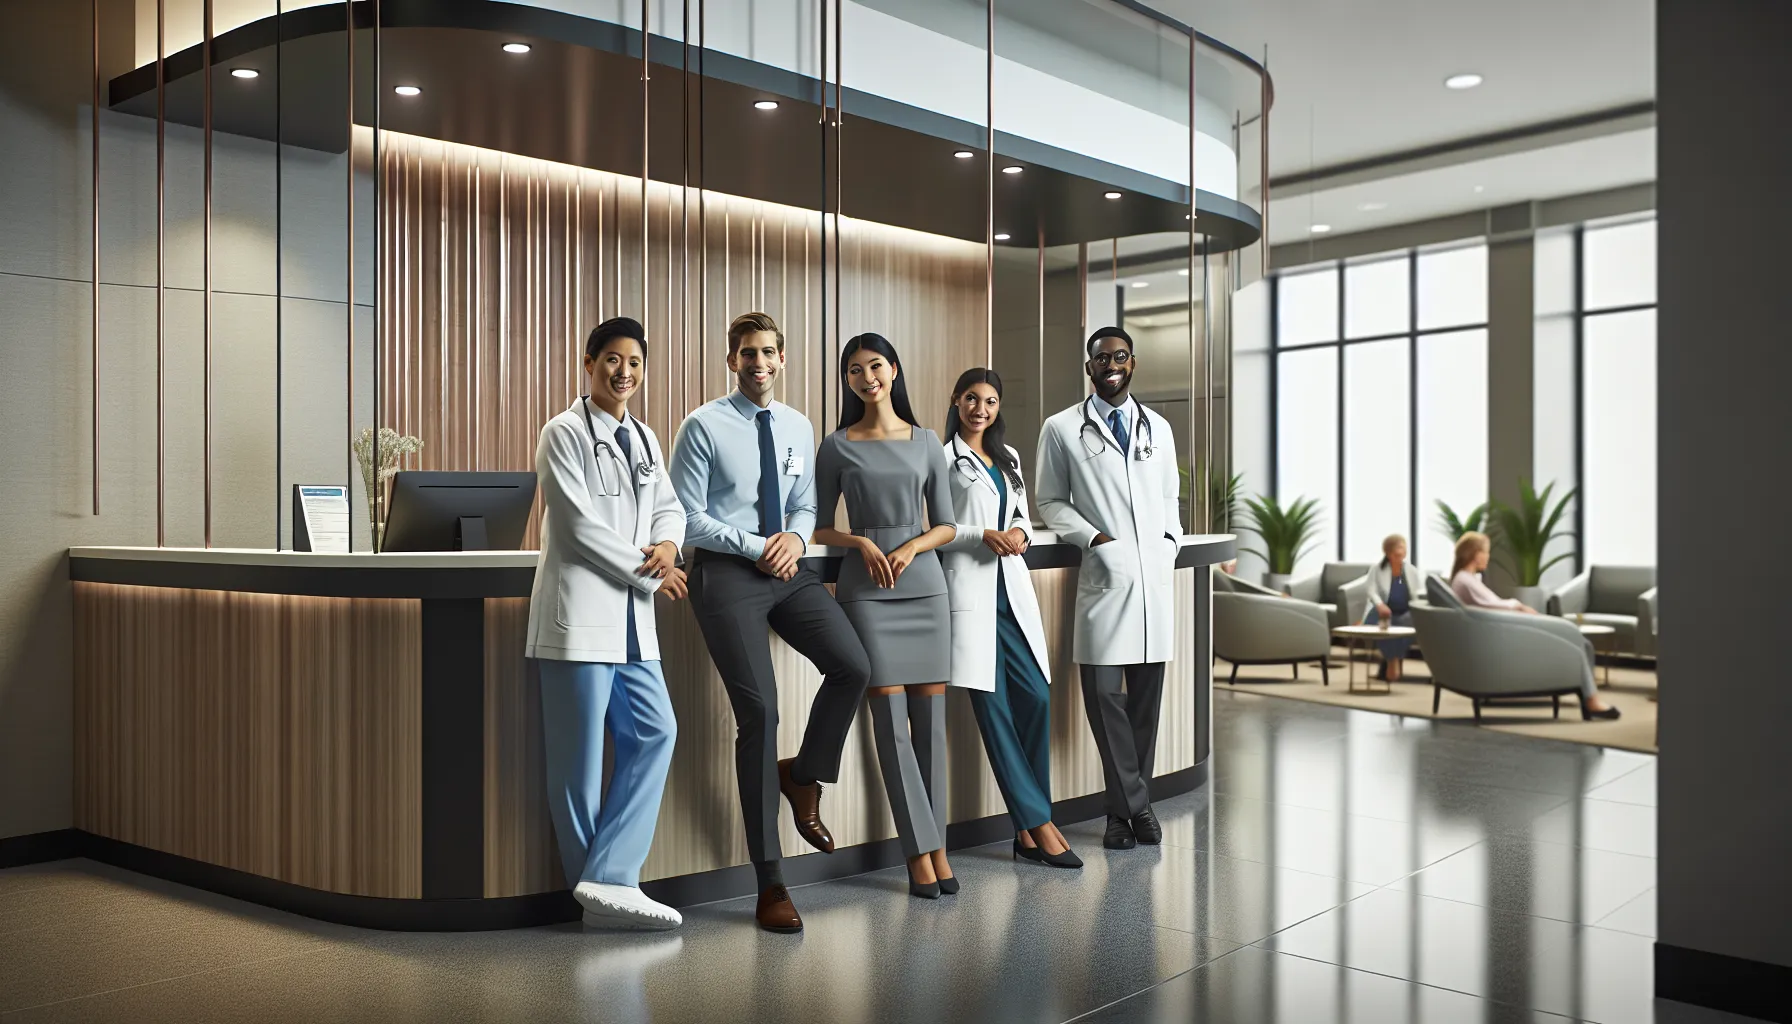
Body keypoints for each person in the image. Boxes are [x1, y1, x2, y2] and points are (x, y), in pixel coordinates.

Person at [667, 312, 872, 934]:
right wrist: (758, 546)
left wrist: (793, 535)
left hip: (787, 571)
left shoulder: (797, 425)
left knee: (853, 666)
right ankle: (771, 882)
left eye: (768, 353)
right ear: (733, 361)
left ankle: (803, 775)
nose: (759, 363)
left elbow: (807, 502)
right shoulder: (702, 424)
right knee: (760, 713)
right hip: (727, 575)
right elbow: (685, 516)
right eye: (747, 353)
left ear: (783, 359)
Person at [525, 316, 688, 931]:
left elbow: (668, 508)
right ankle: (593, 899)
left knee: (656, 733)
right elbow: (576, 526)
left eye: (635, 363)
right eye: (613, 360)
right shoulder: (562, 433)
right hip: (579, 618)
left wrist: (669, 546)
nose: (625, 373)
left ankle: (609, 879)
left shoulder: (645, 438)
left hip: (631, 624)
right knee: (579, 763)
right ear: (589, 363)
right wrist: (652, 573)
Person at [811, 333, 961, 899]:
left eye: (875, 365)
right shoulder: (836, 446)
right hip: (866, 592)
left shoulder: (928, 442)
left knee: (931, 732)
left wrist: (911, 547)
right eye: (854, 370)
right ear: (847, 381)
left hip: (925, 589)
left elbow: (946, 524)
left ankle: (939, 849)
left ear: (894, 370)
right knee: (891, 730)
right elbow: (820, 526)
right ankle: (917, 856)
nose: (866, 376)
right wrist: (861, 543)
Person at [1035, 326, 1182, 851]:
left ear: (1133, 363)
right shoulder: (1061, 428)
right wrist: (1096, 538)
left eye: (1120, 357)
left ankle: (1122, 817)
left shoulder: (1157, 428)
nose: (1111, 365)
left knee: (1145, 705)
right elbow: (1049, 501)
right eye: (1102, 358)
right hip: (1105, 576)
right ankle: (1136, 807)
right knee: (1103, 698)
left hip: (1152, 582)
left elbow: (1169, 497)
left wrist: (1170, 540)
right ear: (1089, 367)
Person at [939, 369, 1082, 870]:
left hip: (1012, 592)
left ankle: (1026, 829)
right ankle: (1040, 824)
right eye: (973, 399)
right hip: (970, 594)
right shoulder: (941, 459)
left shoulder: (1010, 457)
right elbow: (933, 527)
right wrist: (981, 534)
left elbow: (1021, 511)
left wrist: (1019, 532)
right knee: (994, 710)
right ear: (957, 401)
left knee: (1035, 697)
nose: (981, 409)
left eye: (991, 401)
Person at [1449, 531, 1620, 720]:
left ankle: (1587, 694)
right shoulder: (1465, 580)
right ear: (1475, 553)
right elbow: (1491, 606)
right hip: (1504, 635)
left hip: (1504, 631)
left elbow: (1489, 606)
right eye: (1486, 552)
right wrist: (1519, 606)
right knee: (1576, 641)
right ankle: (1590, 700)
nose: (1488, 557)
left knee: (1583, 643)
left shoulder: (1467, 579)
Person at [1362, 533, 1421, 681]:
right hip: (1384, 611)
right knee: (1381, 624)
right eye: (1398, 548)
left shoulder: (1411, 570)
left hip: (1406, 612)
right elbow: (1370, 590)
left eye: (1403, 547)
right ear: (1388, 552)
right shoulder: (1377, 569)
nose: (1401, 551)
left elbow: (1419, 594)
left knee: (1406, 624)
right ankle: (1392, 661)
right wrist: (1380, 605)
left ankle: (1392, 660)